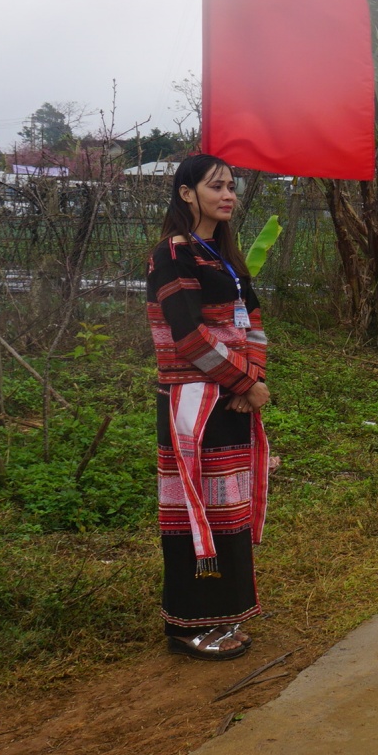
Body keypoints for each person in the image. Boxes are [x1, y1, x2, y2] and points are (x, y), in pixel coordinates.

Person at [147, 154, 273, 661]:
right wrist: (245, 380)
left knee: (227, 508)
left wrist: (254, 378)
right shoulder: (172, 256)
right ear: (185, 193)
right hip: (192, 403)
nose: (228, 195)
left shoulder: (223, 254)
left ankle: (224, 613)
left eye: (231, 186)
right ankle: (186, 624)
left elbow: (254, 318)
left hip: (232, 402)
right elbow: (188, 337)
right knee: (191, 509)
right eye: (215, 186)